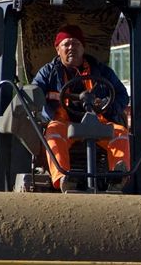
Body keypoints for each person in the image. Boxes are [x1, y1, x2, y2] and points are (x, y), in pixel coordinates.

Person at [31, 24, 130, 191]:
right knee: (53, 131)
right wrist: (47, 98)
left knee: (120, 132)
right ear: (58, 49)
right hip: (64, 123)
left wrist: (107, 105)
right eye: (66, 44)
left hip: (97, 122)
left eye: (76, 43)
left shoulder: (102, 71)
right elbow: (33, 93)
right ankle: (63, 178)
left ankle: (117, 178)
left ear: (83, 48)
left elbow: (122, 95)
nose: (71, 47)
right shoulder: (47, 73)